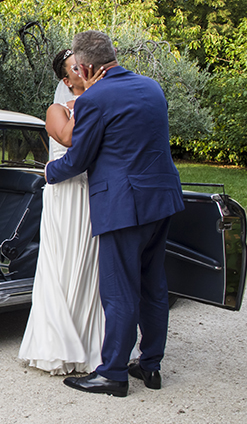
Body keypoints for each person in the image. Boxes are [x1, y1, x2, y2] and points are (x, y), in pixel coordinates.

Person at [45, 31, 185, 398]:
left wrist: (49, 173)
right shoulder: (152, 87)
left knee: (119, 290)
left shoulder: (96, 98)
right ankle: (150, 366)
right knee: (153, 286)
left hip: (124, 204)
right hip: (163, 199)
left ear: (88, 68)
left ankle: (112, 374)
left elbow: (80, 158)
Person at [18, 49, 105, 374]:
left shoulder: (96, 104)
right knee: (61, 264)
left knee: (87, 267)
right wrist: (89, 101)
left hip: (89, 195)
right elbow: (68, 138)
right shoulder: (56, 109)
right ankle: (57, 346)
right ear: (66, 79)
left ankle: (89, 345)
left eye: (85, 65)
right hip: (64, 195)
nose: (84, 70)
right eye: (75, 68)